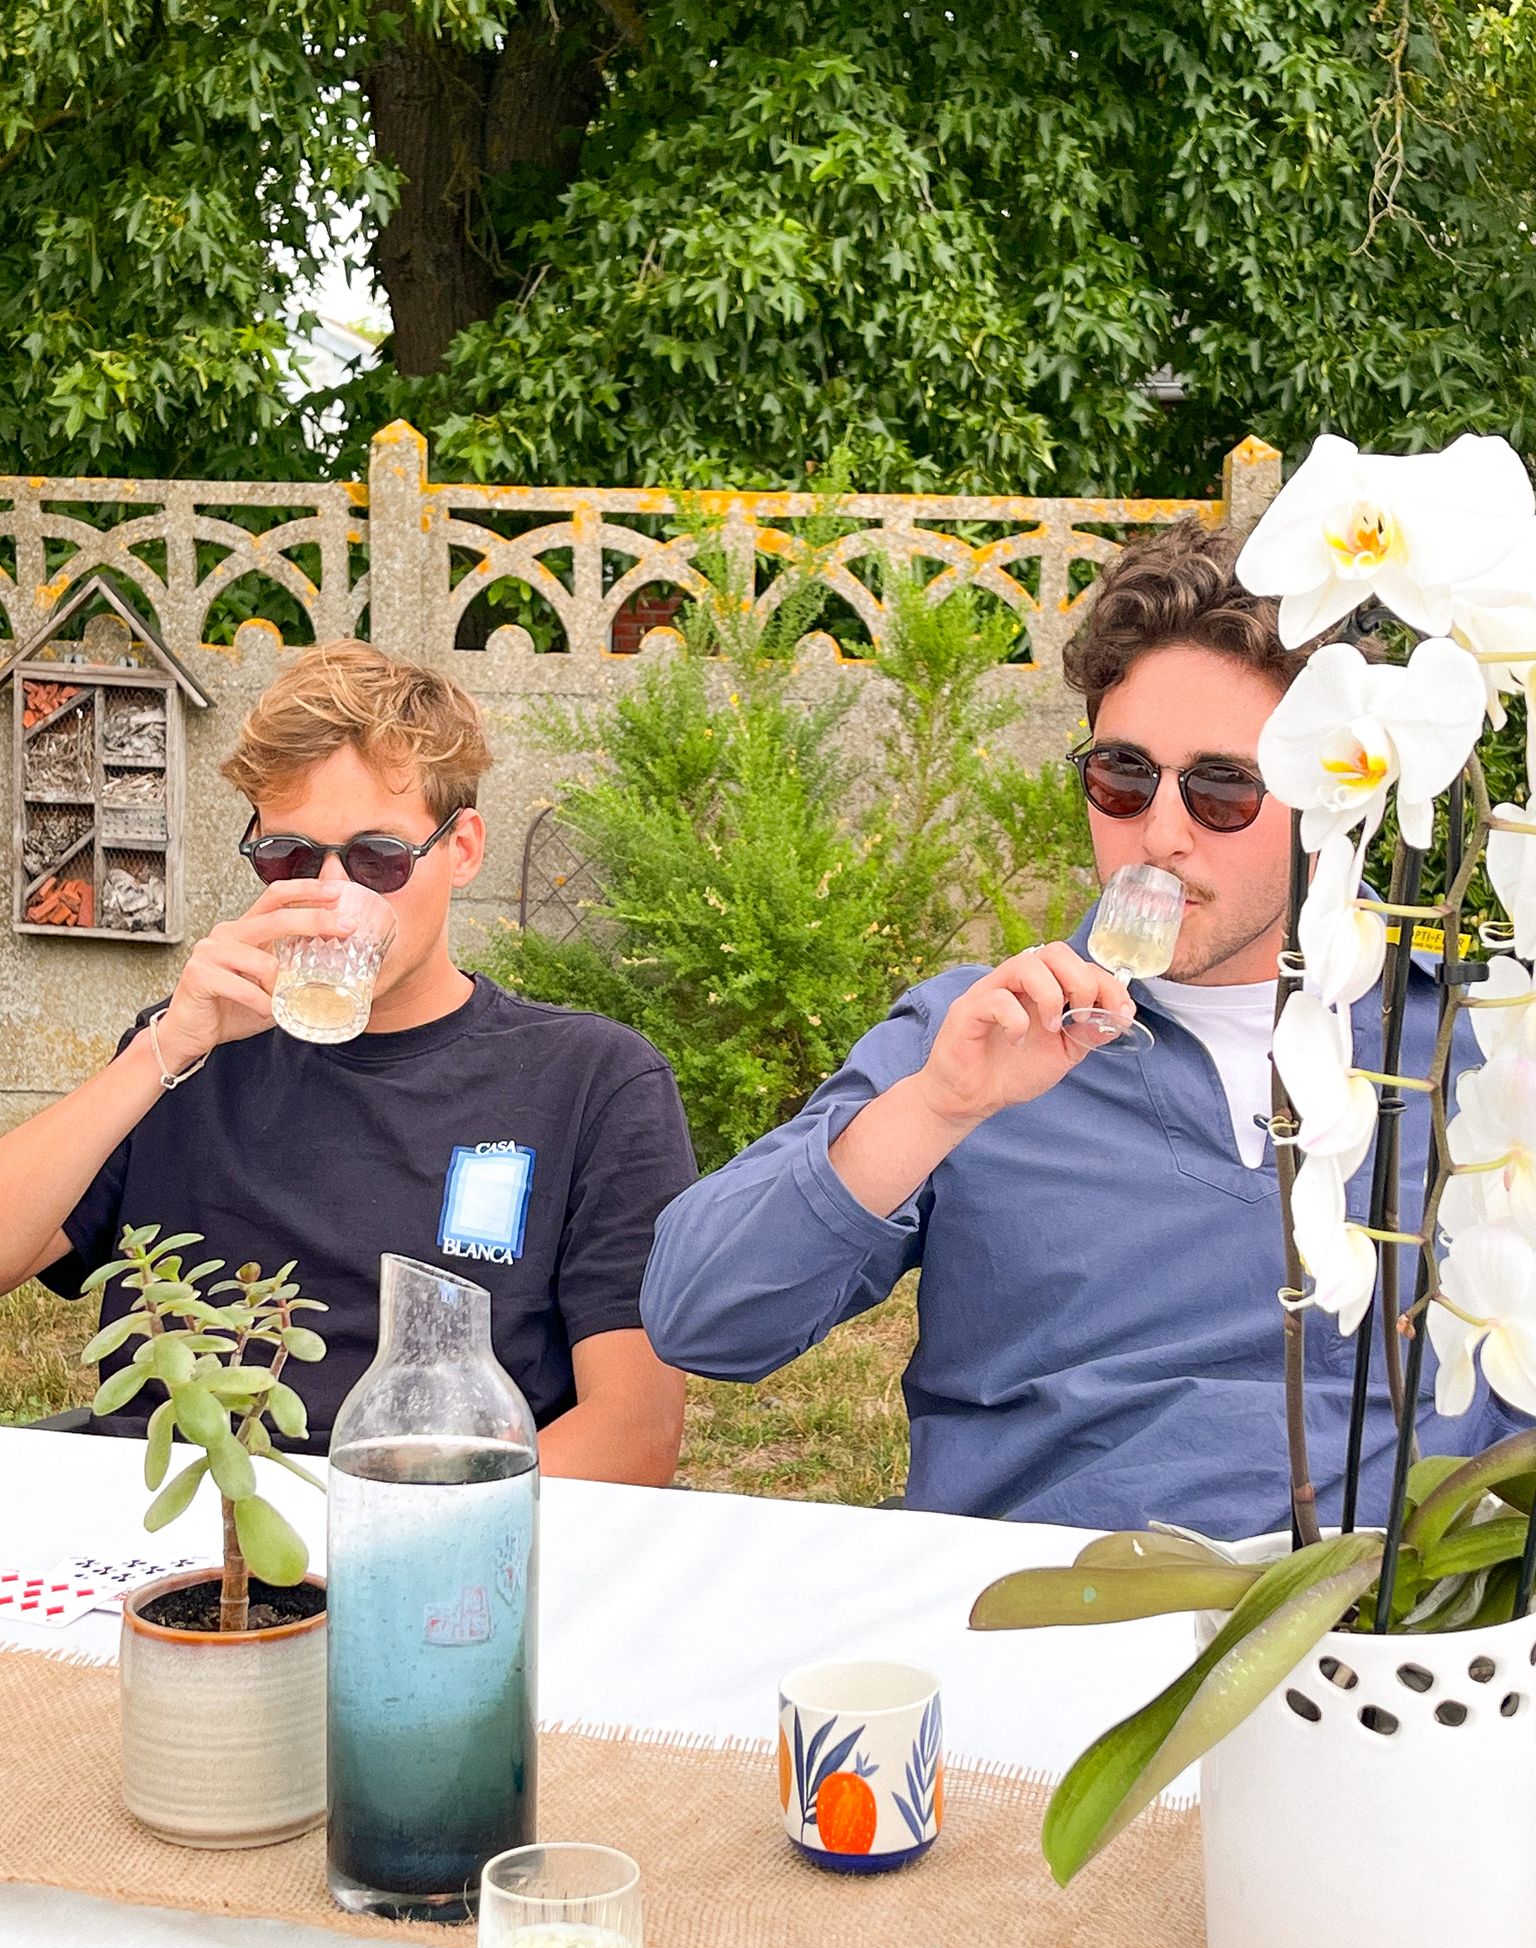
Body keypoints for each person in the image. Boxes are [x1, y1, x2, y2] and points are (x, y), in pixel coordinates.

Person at [640, 522, 1507, 1538]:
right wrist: (935, 1105)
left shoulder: (1476, 1049)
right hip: (1050, 1622)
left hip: (1393, 1645)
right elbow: (699, 1314)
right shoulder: (980, 1038)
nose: (1161, 831)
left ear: (1333, 800)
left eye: (1223, 788)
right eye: (1123, 776)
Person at [1, 642, 696, 1481]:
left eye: (377, 858)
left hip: (437, 1528)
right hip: (176, 1525)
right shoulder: (187, 1053)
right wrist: (162, 1050)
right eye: (290, 857)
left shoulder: (589, 1080)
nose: (333, 895)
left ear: (463, 848)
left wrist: (373, 1546)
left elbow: (635, 1435)